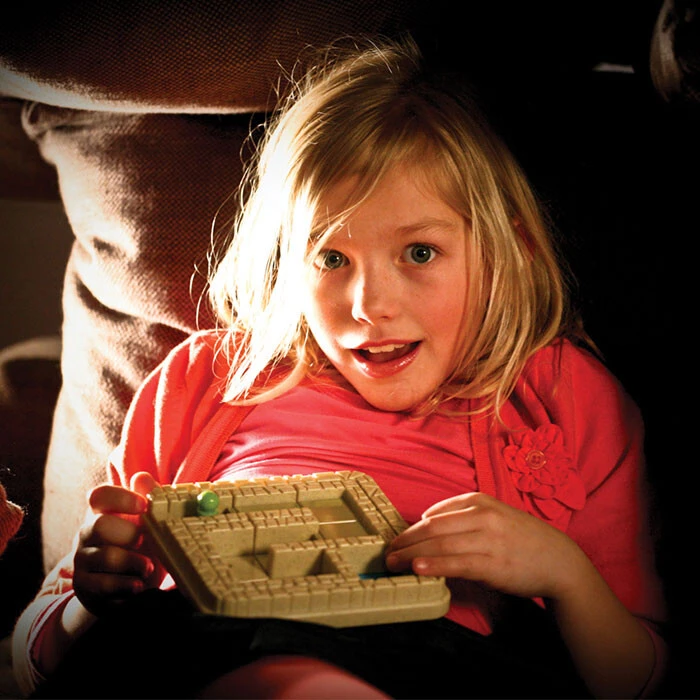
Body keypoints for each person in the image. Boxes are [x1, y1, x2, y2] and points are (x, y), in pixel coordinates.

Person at [12, 36, 666, 699]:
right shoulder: (208, 377)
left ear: (506, 251)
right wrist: (88, 601)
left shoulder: (564, 392)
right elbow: (32, 655)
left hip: (441, 658)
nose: (370, 305)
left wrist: (564, 574)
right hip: (199, 640)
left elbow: (638, 679)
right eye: (330, 259)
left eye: (419, 253)